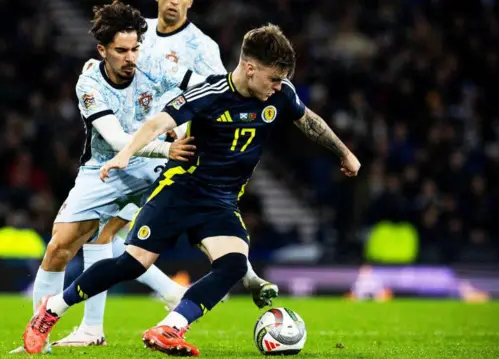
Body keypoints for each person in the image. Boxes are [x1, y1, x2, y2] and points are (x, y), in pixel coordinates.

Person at [22, 23, 361, 355]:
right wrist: (125, 154)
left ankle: (170, 327)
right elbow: (158, 123)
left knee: (232, 264)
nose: (277, 87)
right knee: (133, 263)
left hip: (221, 201)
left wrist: (344, 153)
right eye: (273, 78)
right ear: (249, 67)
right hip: (180, 191)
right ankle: (53, 308)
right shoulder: (211, 94)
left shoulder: (280, 94)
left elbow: (309, 120)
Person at [53, 0, 279, 348]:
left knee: (114, 237)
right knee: (95, 239)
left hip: (174, 149)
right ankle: (104, 320)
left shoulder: (202, 46)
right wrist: (95, 71)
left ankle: (100, 322)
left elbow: (223, 92)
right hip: (128, 146)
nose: (173, 1)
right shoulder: (138, 31)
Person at [9, 1, 203, 354]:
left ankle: (236, 276)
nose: (131, 57)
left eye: (134, 49)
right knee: (59, 247)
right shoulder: (89, 84)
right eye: (121, 51)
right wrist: (166, 149)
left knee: (111, 239)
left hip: (155, 167)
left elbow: (204, 91)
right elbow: (115, 141)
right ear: (102, 50)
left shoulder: (155, 66)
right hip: (106, 165)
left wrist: (184, 129)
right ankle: (41, 339)